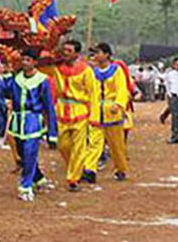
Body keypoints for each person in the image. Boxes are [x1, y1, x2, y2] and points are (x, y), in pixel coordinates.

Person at [2, 48, 57, 201]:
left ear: (34, 62)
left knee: (30, 150)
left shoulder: (42, 80)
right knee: (22, 151)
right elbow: (5, 92)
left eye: (28, 60)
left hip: (33, 119)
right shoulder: (16, 78)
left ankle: (25, 185)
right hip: (17, 119)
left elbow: (49, 107)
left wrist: (52, 132)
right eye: (23, 60)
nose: (25, 63)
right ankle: (38, 178)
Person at [49, 40, 97, 190]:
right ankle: (76, 166)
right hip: (62, 111)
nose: (65, 53)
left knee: (79, 147)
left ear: (77, 53)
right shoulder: (56, 68)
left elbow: (92, 93)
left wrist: (94, 116)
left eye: (69, 51)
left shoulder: (86, 70)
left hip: (80, 111)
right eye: (64, 50)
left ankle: (73, 178)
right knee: (63, 145)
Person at [85, 43, 131, 181]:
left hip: (112, 112)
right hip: (95, 112)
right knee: (94, 142)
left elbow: (122, 89)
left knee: (116, 145)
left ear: (106, 54)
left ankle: (121, 169)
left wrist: (118, 104)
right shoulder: (91, 72)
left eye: (98, 52)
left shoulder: (116, 70)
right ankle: (90, 170)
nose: (95, 56)